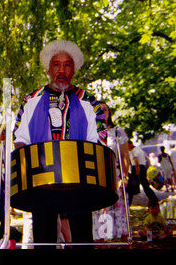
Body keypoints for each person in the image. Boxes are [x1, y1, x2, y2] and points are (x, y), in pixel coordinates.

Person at [14, 40, 107, 247]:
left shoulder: (90, 103)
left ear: (75, 69)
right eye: (56, 64)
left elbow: (98, 142)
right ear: (48, 68)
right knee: (43, 239)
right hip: (41, 184)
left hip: (80, 183)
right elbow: (20, 140)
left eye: (67, 65)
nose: (62, 70)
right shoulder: (31, 100)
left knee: (83, 239)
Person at [92, 102, 131, 243]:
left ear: (109, 112)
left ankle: (126, 244)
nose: (103, 112)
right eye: (99, 110)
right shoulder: (91, 132)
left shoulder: (117, 131)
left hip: (115, 177)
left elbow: (125, 156)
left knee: (120, 214)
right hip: (97, 179)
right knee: (99, 215)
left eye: (105, 109)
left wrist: (125, 176)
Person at [128, 141, 158, 205]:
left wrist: (137, 172)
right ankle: (154, 199)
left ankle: (153, 199)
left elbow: (136, 162)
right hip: (142, 167)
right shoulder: (139, 149)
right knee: (145, 186)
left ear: (130, 144)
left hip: (137, 168)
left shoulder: (134, 151)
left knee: (134, 186)